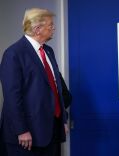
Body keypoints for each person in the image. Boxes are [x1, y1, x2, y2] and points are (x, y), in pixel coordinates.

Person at [0, 8, 68, 156]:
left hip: (52, 132)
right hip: (26, 137)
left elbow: (56, 88)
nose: (54, 28)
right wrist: (21, 130)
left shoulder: (48, 51)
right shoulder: (13, 54)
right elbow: (12, 97)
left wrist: (62, 119)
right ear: (37, 29)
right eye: (50, 25)